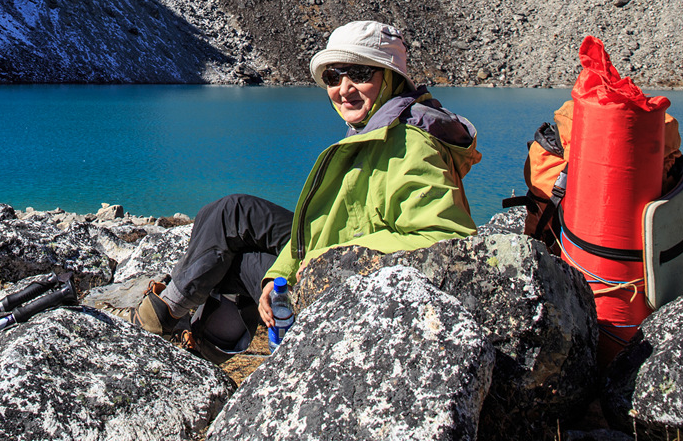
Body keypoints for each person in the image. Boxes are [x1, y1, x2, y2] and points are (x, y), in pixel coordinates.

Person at [129, 20, 479, 347]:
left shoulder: (411, 145)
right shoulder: (376, 130)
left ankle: (174, 331)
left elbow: (445, 238)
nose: (344, 89)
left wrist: (326, 259)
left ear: (391, 78)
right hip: (336, 258)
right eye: (333, 76)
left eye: (359, 73)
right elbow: (329, 226)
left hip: (344, 286)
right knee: (232, 213)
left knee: (233, 260)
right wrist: (277, 276)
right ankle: (177, 322)